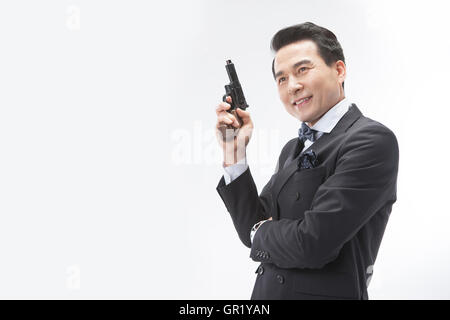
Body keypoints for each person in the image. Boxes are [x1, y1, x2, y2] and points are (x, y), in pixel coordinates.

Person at [215, 22, 399, 300]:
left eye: (302, 70)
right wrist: (234, 153)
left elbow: (314, 243)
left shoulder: (371, 140)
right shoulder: (292, 148)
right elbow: (251, 227)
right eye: (282, 79)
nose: (293, 86)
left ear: (339, 70)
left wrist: (260, 232)